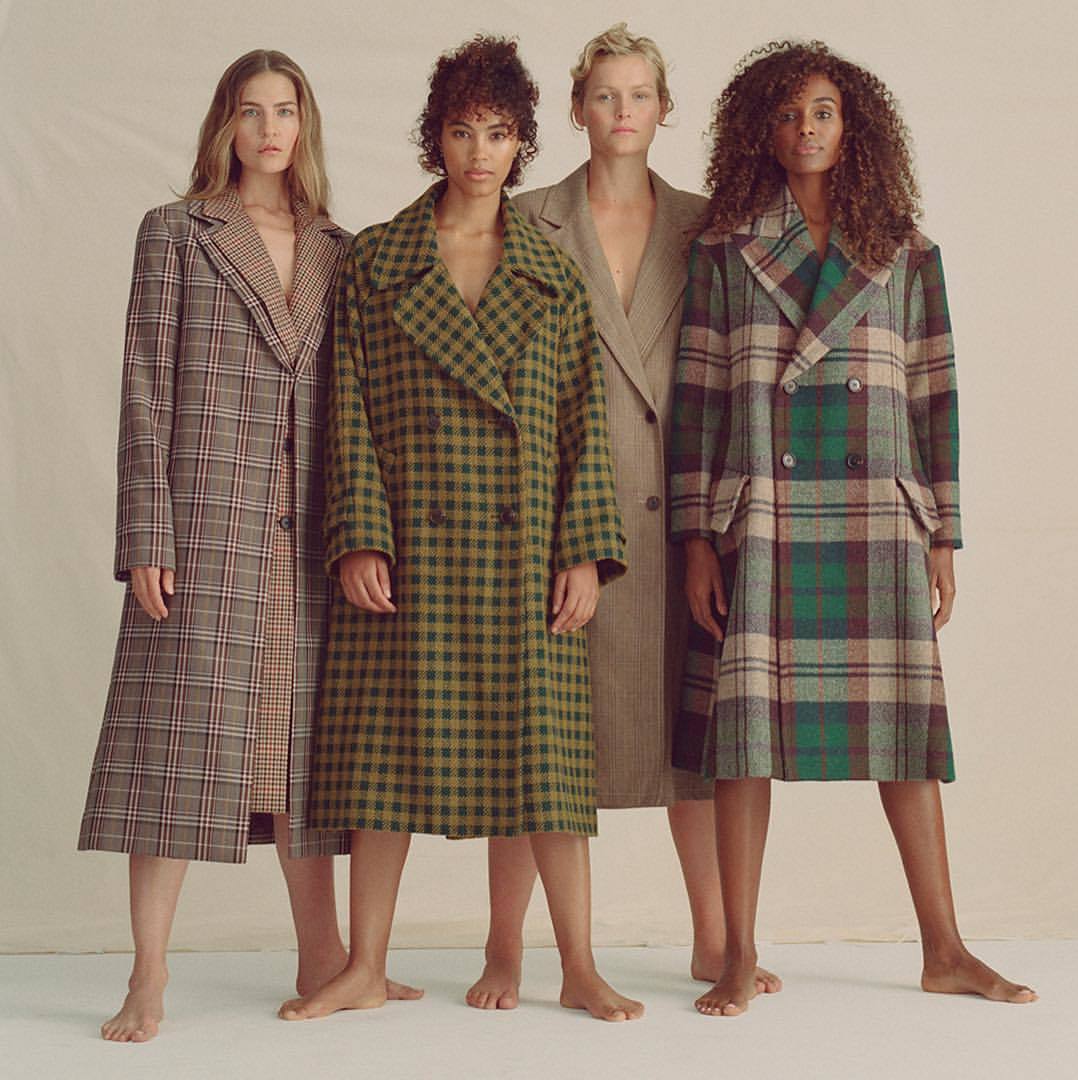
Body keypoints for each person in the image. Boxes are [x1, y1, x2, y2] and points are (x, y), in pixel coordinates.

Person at [278, 35, 642, 1023]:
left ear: (523, 142)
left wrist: (585, 552)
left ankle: (577, 965)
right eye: (461, 130)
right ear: (434, 138)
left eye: (499, 132)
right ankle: (364, 965)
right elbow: (347, 410)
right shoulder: (377, 259)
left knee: (547, 768)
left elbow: (584, 423)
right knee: (380, 762)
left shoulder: (553, 272)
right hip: (410, 553)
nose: (479, 151)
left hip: (524, 555)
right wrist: (359, 535)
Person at [670, 40, 1037, 1016]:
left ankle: (945, 948)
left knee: (907, 736)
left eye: (823, 112)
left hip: (877, 515)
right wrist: (697, 537)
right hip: (763, 513)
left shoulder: (908, 253)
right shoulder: (724, 249)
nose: (806, 130)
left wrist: (943, 534)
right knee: (742, 742)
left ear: (853, 125)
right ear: (761, 129)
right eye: (789, 114)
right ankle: (739, 954)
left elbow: (934, 397)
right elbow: (698, 397)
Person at [78, 49, 420, 1043]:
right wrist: (146, 531)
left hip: (311, 533)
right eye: (251, 111)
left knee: (306, 752)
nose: (270, 130)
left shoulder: (340, 248)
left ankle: (324, 956)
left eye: (286, 111)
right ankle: (148, 974)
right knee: (173, 748)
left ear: (305, 126)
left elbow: (359, 400)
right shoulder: (178, 232)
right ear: (225, 125)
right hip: (204, 522)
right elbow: (144, 384)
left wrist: (366, 532)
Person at [466, 24, 781, 1011]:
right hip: (560, 514)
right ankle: (506, 948)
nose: (621, 112)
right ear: (577, 107)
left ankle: (714, 940)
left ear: (662, 109)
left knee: (698, 743)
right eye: (604, 94)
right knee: (535, 744)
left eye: (639, 94)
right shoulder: (527, 218)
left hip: (683, 509)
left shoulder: (708, 225)